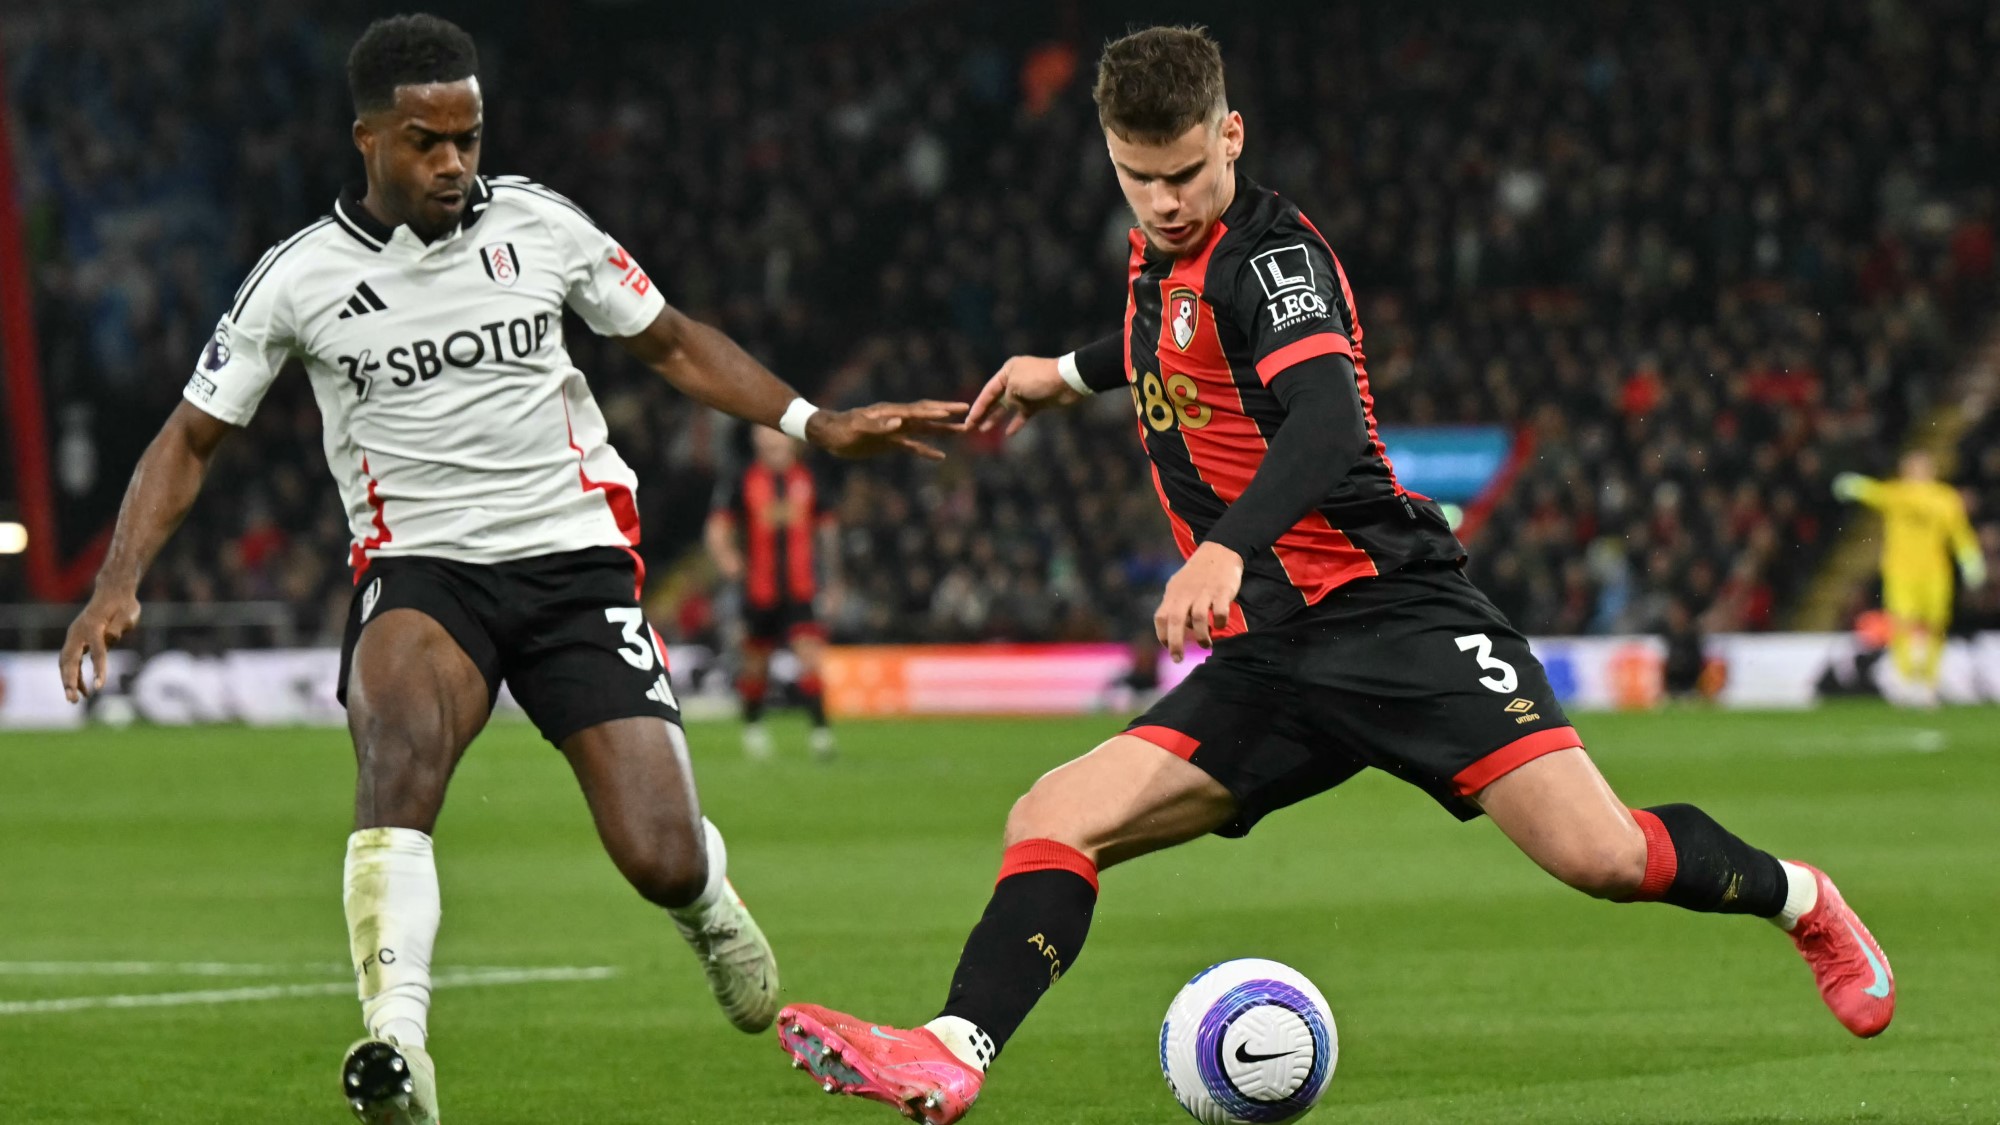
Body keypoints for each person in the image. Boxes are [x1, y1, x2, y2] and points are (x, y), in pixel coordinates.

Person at [773, 27, 1896, 1124]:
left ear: (1232, 135)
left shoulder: (1274, 261)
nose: (1164, 201)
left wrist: (1226, 545)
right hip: (1271, 652)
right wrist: (1063, 374)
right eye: (1137, 177)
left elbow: (1326, 421)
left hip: (1392, 616)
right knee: (1054, 812)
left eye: (1185, 173)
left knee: (1600, 856)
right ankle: (951, 1050)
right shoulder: (1163, 255)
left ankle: (1802, 898)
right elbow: (1169, 340)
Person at [54, 15, 963, 1125]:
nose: (453, 163)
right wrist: (117, 580)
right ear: (368, 139)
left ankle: (706, 898)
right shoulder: (298, 278)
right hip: (421, 568)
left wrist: (815, 422)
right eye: (426, 142)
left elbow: (671, 341)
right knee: (396, 760)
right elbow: (191, 436)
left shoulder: (541, 224)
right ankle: (397, 1047)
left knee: (658, 856)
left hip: (574, 562)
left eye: (468, 138)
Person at [705, 426, 837, 759]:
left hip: (801, 588)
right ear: (757, 442)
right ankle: (753, 727)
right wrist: (726, 557)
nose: (771, 442)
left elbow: (827, 529)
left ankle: (821, 734)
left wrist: (834, 580)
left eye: (776, 436)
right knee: (755, 666)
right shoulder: (743, 480)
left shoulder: (809, 478)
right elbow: (718, 526)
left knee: (810, 658)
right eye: (765, 436)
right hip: (758, 591)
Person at [1834, 451, 1987, 704]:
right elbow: (1873, 492)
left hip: (1935, 573)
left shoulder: (1945, 498)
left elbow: (1960, 533)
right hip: (1901, 572)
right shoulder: (1898, 493)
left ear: (1931, 471)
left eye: (1921, 468)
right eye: (1912, 468)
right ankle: (1906, 680)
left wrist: (1970, 559)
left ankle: (1928, 681)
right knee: (1902, 625)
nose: (1917, 473)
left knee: (1936, 625)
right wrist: (1854, 485)